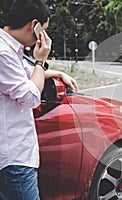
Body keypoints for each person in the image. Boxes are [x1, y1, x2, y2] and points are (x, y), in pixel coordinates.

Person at [0, 0, 78, 199]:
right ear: (33, 25)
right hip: (14, 160)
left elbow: (27, 73)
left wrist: (57, 73)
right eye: (43, 30)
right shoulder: (3, 53)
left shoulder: (9, 49)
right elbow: (30, 96)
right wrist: (40, 61)